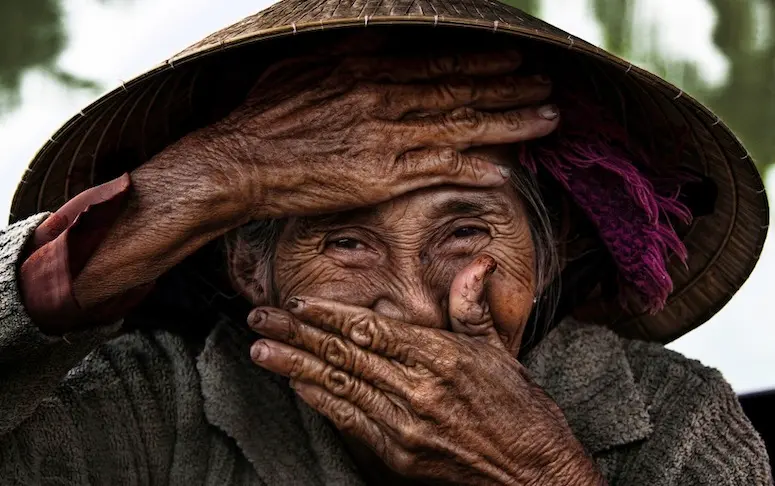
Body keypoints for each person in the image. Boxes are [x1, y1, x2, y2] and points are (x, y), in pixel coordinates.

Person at [0, 1, 771, 485]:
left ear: (549, 251)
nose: (412, 304)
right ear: (250, 269)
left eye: (465, 231)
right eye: (344, 242)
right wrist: (199, 184)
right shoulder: (141, 410)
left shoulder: (672, 422)